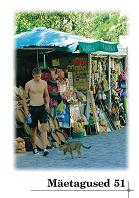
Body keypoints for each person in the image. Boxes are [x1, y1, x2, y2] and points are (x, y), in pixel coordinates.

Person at [23, 67, 50, 156]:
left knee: (44, 127)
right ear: (33, 75)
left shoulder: (44, 83)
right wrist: (26, 110)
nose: (38, 78)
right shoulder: (28, 84)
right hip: (33, 108)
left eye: (39, 76)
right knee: (33, 129)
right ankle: (34, 147)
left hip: (42, 107)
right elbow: (24, 98)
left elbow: (46, 95)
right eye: (36, 77)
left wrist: (47, 103)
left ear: (40, 74)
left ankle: (45, 148)